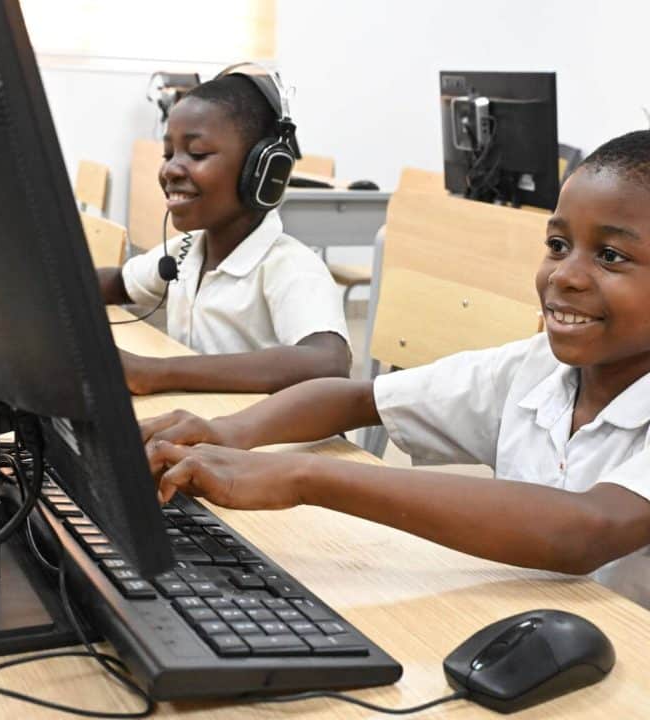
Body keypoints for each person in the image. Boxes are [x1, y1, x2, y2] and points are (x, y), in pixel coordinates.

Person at [141, 129, 650, 606]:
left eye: (609, 255)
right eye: (558, 246)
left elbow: (586, 529)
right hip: (530, 620)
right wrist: (227, 431)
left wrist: (302, 475)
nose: (564, 275)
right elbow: (357, 398)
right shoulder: (535, 368)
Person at [99, 70, 350, 394]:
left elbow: (328, 363)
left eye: (198, 154)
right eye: (168, 153)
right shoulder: (186, 251)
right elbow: (118, 283)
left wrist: (158, 372)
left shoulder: (290, 268)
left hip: (264, 441)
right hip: (203, 426)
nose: (170, 169)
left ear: (261, 170)